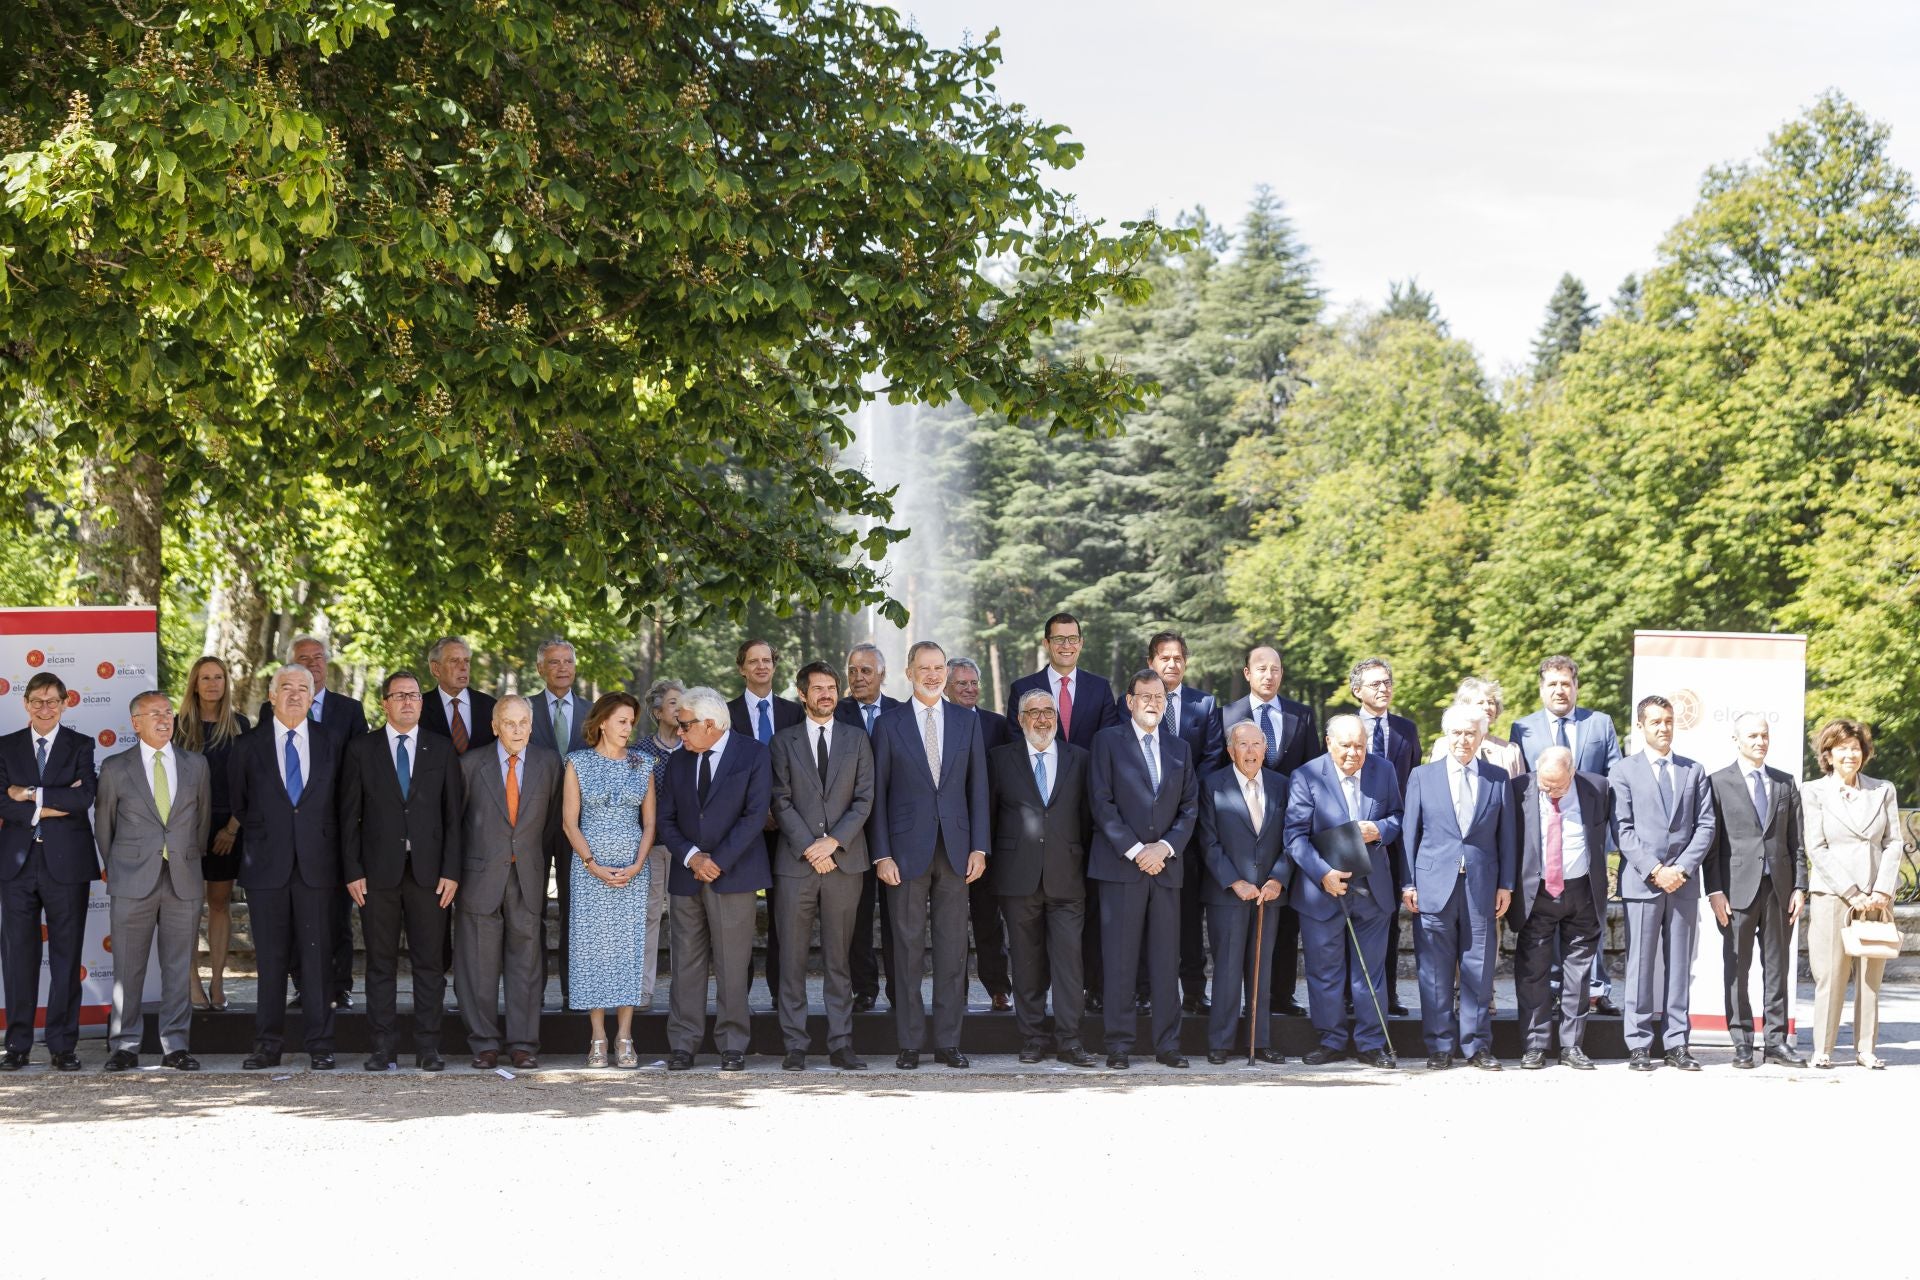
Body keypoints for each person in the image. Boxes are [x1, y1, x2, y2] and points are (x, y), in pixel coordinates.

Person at [871, 641, 990, 1069]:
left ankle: (948, 1042)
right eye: (925, 668)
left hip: (957, 851)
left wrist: (980, 846)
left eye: (939, 667)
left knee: (953, 949)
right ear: (909, 672)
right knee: (905, 950)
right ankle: (908, 1042)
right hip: (904, 854)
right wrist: (881, 854)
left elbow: (978, 788)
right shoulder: (888, 724)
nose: (934, 675)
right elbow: (878, 796)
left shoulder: (965, 722)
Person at [340, 670, 463, 1072]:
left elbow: (453, 819)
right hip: (376, 876)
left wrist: (451, 870)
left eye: (413, 695)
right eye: (399, 696)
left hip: (431, 876)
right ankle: (382, 1048)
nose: (408, 702)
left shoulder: (441, 749)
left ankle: (428, 1047)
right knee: (380, 964)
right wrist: (353, 870)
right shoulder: (362, 750)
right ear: (385, 703)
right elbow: (349, 817)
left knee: (430, 964)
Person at [229, 663, 348, 1070]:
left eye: (304, 687)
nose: (295, 694)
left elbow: (341, 806)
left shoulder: (332, 742)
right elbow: (240, 804)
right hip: (266, 867)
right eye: (287, 687)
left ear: (314, 695)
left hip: (318, 867)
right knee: (271, 961)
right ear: (271, 695)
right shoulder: (247, 746)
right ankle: (267, 1045)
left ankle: (320, 1044)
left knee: (317, 960)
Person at [1005, 613, 1117, 1011]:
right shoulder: (1024, 689)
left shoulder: (1101, 689)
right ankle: (1037, 1020)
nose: (1066, 645)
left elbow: (1105, 749)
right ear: (1047, 643)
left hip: (1083, 824)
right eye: (1059, 639)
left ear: (1081, 643)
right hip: (1033, 832)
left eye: (1073, 639)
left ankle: (1090, 994)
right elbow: (1013, 761)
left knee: (1084, 925)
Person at [1088, 669, 1200, 1070]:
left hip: (1166, 870)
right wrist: (1138, 851)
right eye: (1145, 696)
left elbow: (1190, 808)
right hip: (1122, 868)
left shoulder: (1179, 749)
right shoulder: (1107, 742)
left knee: (1166, 960)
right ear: (1130, 701)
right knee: (1119, 960)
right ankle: (1118, 1045)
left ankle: (1167, 1044)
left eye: (1160, 697)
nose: (1154, 702)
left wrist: (1164, 848)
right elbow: (1101, 803)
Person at [657, 686, 773, 1072]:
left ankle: (733, 1044)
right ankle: (683, 1044)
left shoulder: (753, 754)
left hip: (734, 876)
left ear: (710, 723)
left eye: (685, 725)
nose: (679, 732)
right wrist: (693, 857)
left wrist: (717, 861)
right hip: (688, 876)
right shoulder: (677, 762)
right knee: (686, 964)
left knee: (732, 963)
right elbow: (666, 820)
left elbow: (754, 816)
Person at [96, 691, 211, 1072]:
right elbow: (104, 829)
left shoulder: (196, 765)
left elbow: (202, 822)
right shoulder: (115, 768)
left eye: (168, 713)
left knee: (178, 966)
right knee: (128, 967)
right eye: (154, 714)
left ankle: (175, 1045)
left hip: (183, 878)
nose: (164, 719)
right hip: (132, 879)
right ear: (136, 723)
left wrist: (186, 858)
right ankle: (125, 1045)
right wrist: (122, 865)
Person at [769, 662, 874, 1070]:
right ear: (803, 694)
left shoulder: (857, 739)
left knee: (839, 959)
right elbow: (780, 799)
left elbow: (864, 799)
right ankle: (795, 1044)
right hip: (796, 866)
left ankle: (841, 1043)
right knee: (792, 959)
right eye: (818, 689)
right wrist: (811, 847)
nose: (827, 694)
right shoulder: (783, 742)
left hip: (845, 864)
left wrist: (833, 843)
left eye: (832, 687)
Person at [1284, 714, 1404, 1070]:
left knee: (1370, 970)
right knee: (1325, 971)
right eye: (1346, 746)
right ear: (1329, 743)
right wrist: (1323, 873)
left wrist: (1380, 829)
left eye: (1360, 746)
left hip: (1373, 890)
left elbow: (1399, 816)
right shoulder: (1306, 776)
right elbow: (1294, 836)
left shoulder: (1384, 771)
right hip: (1323, 890)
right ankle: (1331, 1040)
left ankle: (1371, 1043)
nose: (1354, 753)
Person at [1402, 704, 1517, 1071]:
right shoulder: (1423, 776)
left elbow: (1508, 837)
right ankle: (1439, 1045)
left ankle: (1477, 1044)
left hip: (1482, 886)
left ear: (1481, 736)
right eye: (1456, 732)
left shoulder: (1498, 778)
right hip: (1434, 885)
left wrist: (1507, 884)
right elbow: (1410, 833)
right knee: (1434, 970)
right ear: (1445, 735)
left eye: (1470, 733)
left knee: (1479, 968)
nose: (1463, 740)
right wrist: (1408, 882)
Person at [1508, 655, 1624, 1015]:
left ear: (1576, 687)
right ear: (1542, 688)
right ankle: (1555, 989)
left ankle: (1596, 987)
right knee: (1545, 921)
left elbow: (1615, 780)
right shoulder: (1522, 728)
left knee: (1589, 920)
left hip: (1585, 841)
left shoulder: (1600, 724)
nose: (1560, 690)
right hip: (1543, 841)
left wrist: (1608, 839)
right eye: (1552, 684)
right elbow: (1521, 785)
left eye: (1566, 683)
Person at [987, 689, 1097, 1067]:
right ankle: (1033, 1037)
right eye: (1033, 712)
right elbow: (990, 816)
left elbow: (1087, 817)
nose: (1042, 718)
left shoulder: (1079, 759)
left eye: (1048, 711)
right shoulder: (999, 760)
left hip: (1067, 877)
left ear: (1057, 717)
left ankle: (1070, 1040)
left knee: (1069, 964)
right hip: (1017, 878)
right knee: (1026, 963)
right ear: (1020, 720)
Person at [454, 696, 562, 1070]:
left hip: (528, 875)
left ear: (531, 726)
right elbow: (457, 824)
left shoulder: (549, 763)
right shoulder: (470, 764)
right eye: (509, 723)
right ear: (495, 726)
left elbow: (552, 824)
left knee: (527, 966)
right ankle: (483, 1043)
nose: (517, 730)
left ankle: (523, 1044)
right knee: (477, 966)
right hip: (480, 878)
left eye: (523, 723)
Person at [1609, 694, 1715, 1072]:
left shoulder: (1693, 770)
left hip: (1683, 885)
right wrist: (1656, 870)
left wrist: (1682, 869)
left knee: (1680, 964)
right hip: (1643, 883)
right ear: (1641, 726)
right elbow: (1622, 829)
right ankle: (1638, 1044)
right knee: (1639, 964)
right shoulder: (1623, 771)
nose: (1664, 728)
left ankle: (1677, 1043)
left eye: (1668, 721)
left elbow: (1706, 825)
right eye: (1656, 722)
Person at [0, 672, 99, 1072]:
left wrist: (28, 794)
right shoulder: (5, 747)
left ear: (65, 703)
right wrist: (53, 801)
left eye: (53, 701)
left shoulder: (81, 744)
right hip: (17, 865)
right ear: (25, 704)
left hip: (67, 865)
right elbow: (0, 803)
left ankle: (62, 1045)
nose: (45, 708)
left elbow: (84, 797)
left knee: (65, 957)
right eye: (38, 701)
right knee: (18, 957)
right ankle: (18, 1045)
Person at [261, 636, 364, 1013]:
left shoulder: (349, 710)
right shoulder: (266, 709)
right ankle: (303, 984)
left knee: (336, 913)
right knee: (293, 916)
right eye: (304, 659)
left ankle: (341, 984)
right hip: (288, 835)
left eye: (318, 658)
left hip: (335, 828)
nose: (313, 664)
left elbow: (357, 771)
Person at [1705, 713, 1807, 1068]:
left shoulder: (1784, 782)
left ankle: (1776, 1042)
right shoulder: (1717, 782)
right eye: (1752, 736)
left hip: (1779, 889)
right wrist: (1714, 890)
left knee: (1777, 968)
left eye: (1764, 735)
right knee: (1737, 968)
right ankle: (1742, 1042)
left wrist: (1800, 886)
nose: (1760, 741)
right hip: (1735, 892)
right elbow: (1712, 845)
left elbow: (1797, 842)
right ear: (1736, 739)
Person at [1801, 718, 1903, 1070]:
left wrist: (1881, 890)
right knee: (1830, 974)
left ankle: (1866, 1049)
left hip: (1877, 898)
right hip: (1834, 895)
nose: (1850, 754)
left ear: (1864, 752)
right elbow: (1816, 846)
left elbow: (1894, 842)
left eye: (1855, 748)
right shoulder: (1813, 791)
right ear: (1828, 755)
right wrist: (1851, 891)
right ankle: (1823, 1048)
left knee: (1870, 977)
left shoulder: (1883, 789)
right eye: (1841, 748)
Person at [562, 692, 657, 1068]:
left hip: (633, 871)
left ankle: (625, 1037)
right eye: (621, 720)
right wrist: (591, 862)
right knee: (593, 951)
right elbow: (570, 821)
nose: (627, 728)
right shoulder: (578, 763)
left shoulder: (643, 763)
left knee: (629, 950)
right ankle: (598, 1036)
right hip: (590, 871)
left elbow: (649, 822)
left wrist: (637, 863)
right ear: (602, 722)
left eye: (631, 721)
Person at [1221, 644, 1316, 1017]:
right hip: (1240, 832)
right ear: (1247, 673)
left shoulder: (1301, 716)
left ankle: (1281, 995)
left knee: (1285, 920)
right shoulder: (1227, 714)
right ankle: (1240, 1003)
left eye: (1275, 668)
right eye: (1261, 668)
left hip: (1286, 831)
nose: (1269, 675)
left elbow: (1310, 773)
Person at [1509, 748, 1610, 1069]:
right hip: (1537, 891)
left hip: (1582, 890)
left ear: (1574, 773)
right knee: (1532, 970)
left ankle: (1571, 1045)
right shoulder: (1518, 789)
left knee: (1577, 973)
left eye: (1559, 787)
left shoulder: (1598, 788)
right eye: (1545, 785)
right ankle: (1535, 1045)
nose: (1551, 792)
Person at [1197, 722, 1291, 1064]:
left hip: (1269, 893)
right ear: (1230, 749)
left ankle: (1259, 1039)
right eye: (1242, 745)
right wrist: (1235, 882)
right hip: (1228, 894)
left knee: (1260, 969)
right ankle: (1220, 1042)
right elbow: (1207, 841)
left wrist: (1279, 877)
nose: (1250, 752)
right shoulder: (1213, 786)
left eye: (1256, 745)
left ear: (1265, 749)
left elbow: (1292, 836)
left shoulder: (1282, 786)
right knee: (1226, 969)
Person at [1148, 631, 1225, 1015]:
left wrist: (1185, 797)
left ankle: (1194, 990)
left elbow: (1212, 757)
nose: (1172, 664)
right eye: (1164, 657)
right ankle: (1146, 991)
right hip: (1145, 828)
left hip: (1190, 825)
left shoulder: (1204, 704)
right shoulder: (1134, 701)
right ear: (1152, 662)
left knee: (1191, 914)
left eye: (1178, 658)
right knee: (1147, 914)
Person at [727, 639, 803, 1009]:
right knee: (737, 918)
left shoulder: (794, 713)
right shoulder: (724, 715)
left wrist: (780, 812)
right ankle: (737, 995)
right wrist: (756, 813)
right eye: (753, 661)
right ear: (741, 668)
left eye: (767, 660)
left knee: (784, 916)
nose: (761, 666)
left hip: (787, 831)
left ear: (775, 666)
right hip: (740, 830)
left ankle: (780, 995)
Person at [1342, 657, 1417, 1017]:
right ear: (1357, 690)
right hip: (1349, 834)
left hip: (1394, 834)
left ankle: (1386, 995)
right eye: (1375, 684)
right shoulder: (1344, 728)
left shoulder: (1406, 730)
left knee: (1387, 915)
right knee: (1347, 914)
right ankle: (1346, 996)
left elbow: (1412, 783)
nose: (1383, 688)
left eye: (1387, 682)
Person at [177, 655, 249, 1011]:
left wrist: (233, 828)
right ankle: (193, 986)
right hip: (187, 831)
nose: (212, 684)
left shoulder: (239, 725)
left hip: (227, 830)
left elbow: (250, 782)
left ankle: (218, 984)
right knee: (188, 909)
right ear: (194, 683)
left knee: (219, 905)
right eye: (205, 677)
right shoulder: (176, 727)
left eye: (218, 677)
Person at [836, 641, 902, 1014]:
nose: (857, 677)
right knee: (857, 916)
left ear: (882, 674)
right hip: (851, 832)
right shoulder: (836, 713)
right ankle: (864, 989)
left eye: (865, 670)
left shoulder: (901, 712)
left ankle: (899, 990)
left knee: (897, 916)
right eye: (852, 670)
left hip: (895, 830)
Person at [527, 638, 591, 1006]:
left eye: (568, 661)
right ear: (541, 668)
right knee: (530, 908)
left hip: (578, 825)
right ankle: (532, 991)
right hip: (533, 822)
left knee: (575, 909)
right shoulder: (525, 709)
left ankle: (573, 991)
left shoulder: (591, 711)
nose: (563, 667)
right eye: (554, 662)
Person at [946, 656, 1013, 1011]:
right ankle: (952, 993)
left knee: (989, 919)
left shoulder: (997, 726)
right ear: (945, 686)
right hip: (946, 840)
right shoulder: (935, 723)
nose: (970, 689)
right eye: (962, 684)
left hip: (989, 841)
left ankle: (998, 989)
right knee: (949, 924)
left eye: (974, 683)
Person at [631, 678, 685, 1009]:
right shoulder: (639, 752)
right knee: (649, 917)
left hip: (685, 850)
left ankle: (684, 993)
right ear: (657, 712)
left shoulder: (694, 747)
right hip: (650, 847)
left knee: (685, 920)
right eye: (673, 703)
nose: (680, 709)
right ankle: (642, 992)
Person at [1428, 678, 1525, 776]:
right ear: (1465, 707)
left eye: (1491, 702)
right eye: (1480, 703)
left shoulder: (1510, 750)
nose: (1487, 707)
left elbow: (1519, 789)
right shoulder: (1444, 746)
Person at [419, 635, 497, 755]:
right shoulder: (419, 708)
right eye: (454, 661)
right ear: (435, 669)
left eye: (466, 661)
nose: (463, 667)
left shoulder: (491, 706)